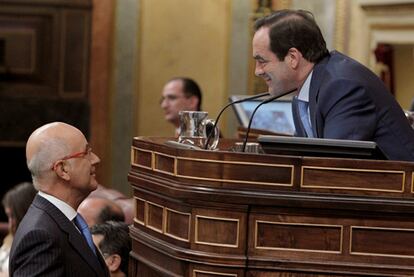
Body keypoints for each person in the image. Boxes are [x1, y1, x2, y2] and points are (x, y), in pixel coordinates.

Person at [253, 9, 414, 161]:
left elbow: (336, 166)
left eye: (262, 61)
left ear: (293, 58)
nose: (257, 71)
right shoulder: (303, 90)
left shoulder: (343, 86)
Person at [9, 122, 109, 276]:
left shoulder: (60, 221)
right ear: (63, 169)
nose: (96, 159)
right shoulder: (41, 236)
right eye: (86, 152)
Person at [0, 182, 37, 277]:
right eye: (8, 216)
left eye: (13, 216)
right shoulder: (11, 236)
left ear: (23, 214)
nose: (10, 223)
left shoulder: (35, 241)